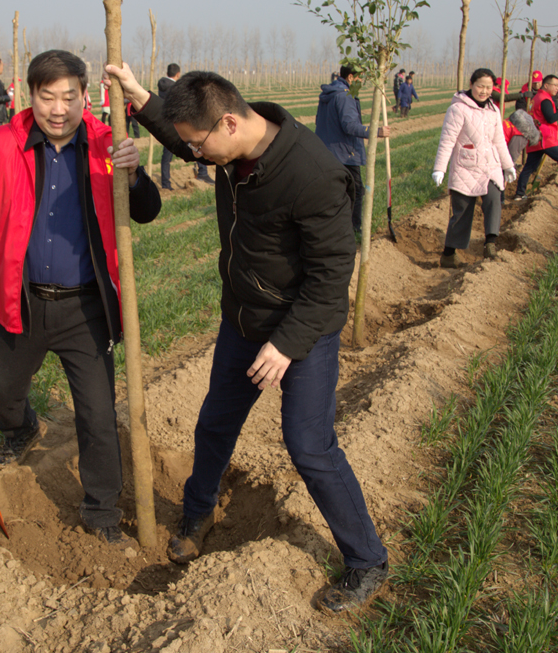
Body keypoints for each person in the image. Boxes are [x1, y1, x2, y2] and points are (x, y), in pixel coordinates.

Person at [108, 62, 390, 614]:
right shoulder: (228, 139)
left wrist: (286, 345)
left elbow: (333, 277)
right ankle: (199, 510)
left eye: (199, 147)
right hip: (243, 320)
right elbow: (186, 135)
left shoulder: (313, 174)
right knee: (214, 422)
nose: (195, 158)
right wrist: (143, 100)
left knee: (309, 445)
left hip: (302, 330)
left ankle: (367, 559)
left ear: (230, 125)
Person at [0, 49, 161, 546]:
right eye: (47, 98)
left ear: (86, 96)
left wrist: (136, 174)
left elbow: (147, 211)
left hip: (86, 310)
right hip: (23, 301)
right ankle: (22, 428)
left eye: (68, 97)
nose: (58, 109)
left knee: (99, 416)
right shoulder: (4, 141)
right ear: (30, 95)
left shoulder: (110, 144)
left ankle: (101, 512)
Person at [432, 69, 517, 267]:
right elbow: (447, 140)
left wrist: (508, 166)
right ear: (471, 84)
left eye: (488, 87)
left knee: (494, 199)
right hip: (466, 167)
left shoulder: (493, 110)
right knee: (462, 212)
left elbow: (499, 141)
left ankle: (491, 244)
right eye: (480, 86)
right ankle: (449, 254)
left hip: (490, 166)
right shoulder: (458, 109)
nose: (484, 91)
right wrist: (440, 168)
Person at [314, 65, 391, 236]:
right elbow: (349, 126)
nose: (362, 82)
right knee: (355, 191)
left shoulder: (330, 93)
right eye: (360, 78)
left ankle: (333, 227)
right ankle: (353, 229)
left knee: (334, 192)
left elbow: (318, 120)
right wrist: (375, 131)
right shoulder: (345, 96)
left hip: (326, 151)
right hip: (344, 153)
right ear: (350, 78)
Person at [512, 74, 558, 199]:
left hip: (536, 137)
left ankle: (520, 193)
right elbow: (551, 118)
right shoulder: (544, 99)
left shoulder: (537, 98)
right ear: (546, 85)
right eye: (555, 85)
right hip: (545, 138)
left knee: (530, 166)